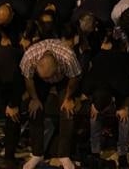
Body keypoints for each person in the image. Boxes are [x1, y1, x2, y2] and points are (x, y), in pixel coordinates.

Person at [20, 39, 82, 169]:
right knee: (34, 110)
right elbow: (28, 79)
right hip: (38, 81)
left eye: (49, 77)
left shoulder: (68, 58)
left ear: (58, 65)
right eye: (46, 77)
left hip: (63, 79)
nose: (49, 81)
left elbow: (74, 77)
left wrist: (68, 98)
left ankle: (64, 155)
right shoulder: (29, 58)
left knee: (67, 111)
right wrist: (34, 99)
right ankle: (37, 154)